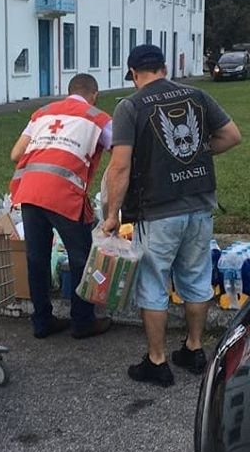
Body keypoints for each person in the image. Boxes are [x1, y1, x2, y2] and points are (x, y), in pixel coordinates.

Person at [103, 44, 241, 387]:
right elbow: (231, 135)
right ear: (164, 68)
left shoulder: (130, 105)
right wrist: (198, 153)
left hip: (157, 210)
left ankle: (157, 361)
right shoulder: (197, 96)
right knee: (196, 278)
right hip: (199, 205)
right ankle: (194, 349)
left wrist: (111, 216)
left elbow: (120, 166)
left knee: (152, 283)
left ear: (135, 73)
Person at [9, 73, 113, 339]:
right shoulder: (99, 118)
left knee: (37, 258)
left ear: (69, 92)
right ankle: (82, 322)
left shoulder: (42, 112)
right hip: (64, 194)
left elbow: (16, 154)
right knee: (81, 257)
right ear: (94, 94)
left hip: (30, 191)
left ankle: (42, 321)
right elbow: (121, 149)